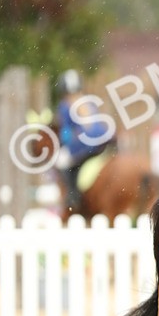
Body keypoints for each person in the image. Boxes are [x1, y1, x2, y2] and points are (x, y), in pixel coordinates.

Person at [54, 70, 113, 212]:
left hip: (84, 144)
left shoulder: (65, 106)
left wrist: (64, 143)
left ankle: (72, 196)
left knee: (62, 161)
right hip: (103, 140)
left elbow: (66, 132)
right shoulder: (88, 102)